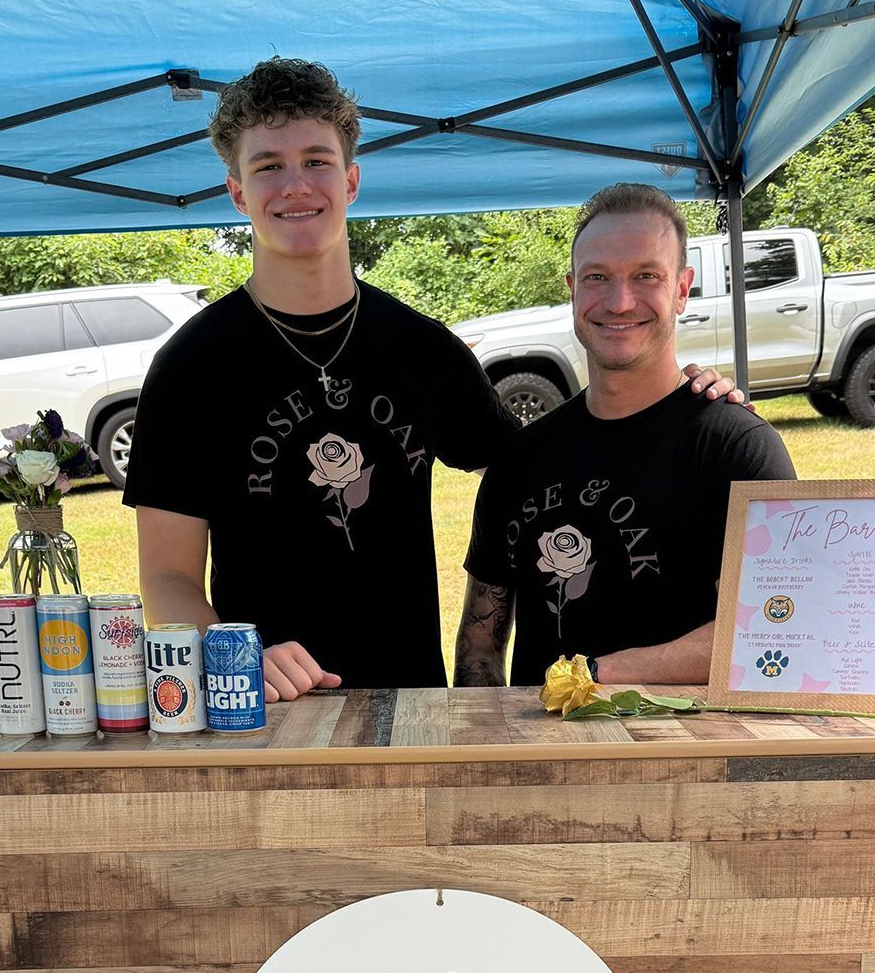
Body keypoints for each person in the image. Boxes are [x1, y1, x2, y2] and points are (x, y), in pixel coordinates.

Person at [123, 58, 742, 699]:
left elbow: (546, 465)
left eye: (316, 160)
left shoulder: (421, 347)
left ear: (352, 179)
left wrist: (685, 403)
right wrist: (238, 657)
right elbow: (167, 580)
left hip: (411, 706)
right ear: (236, 192)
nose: (295, 185)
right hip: (262, 711)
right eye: (268, 166)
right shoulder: (191, 366)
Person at [456, 182, 796, 690]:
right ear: (572, 288)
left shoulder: (737, 447)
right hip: (540, 757)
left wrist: (597, 676)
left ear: (682, 289)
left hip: (681, 758)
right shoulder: (520, 460)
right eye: (598, 277)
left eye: (646, 276)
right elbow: (479, 648)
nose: (619, 301)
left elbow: (776, 626)